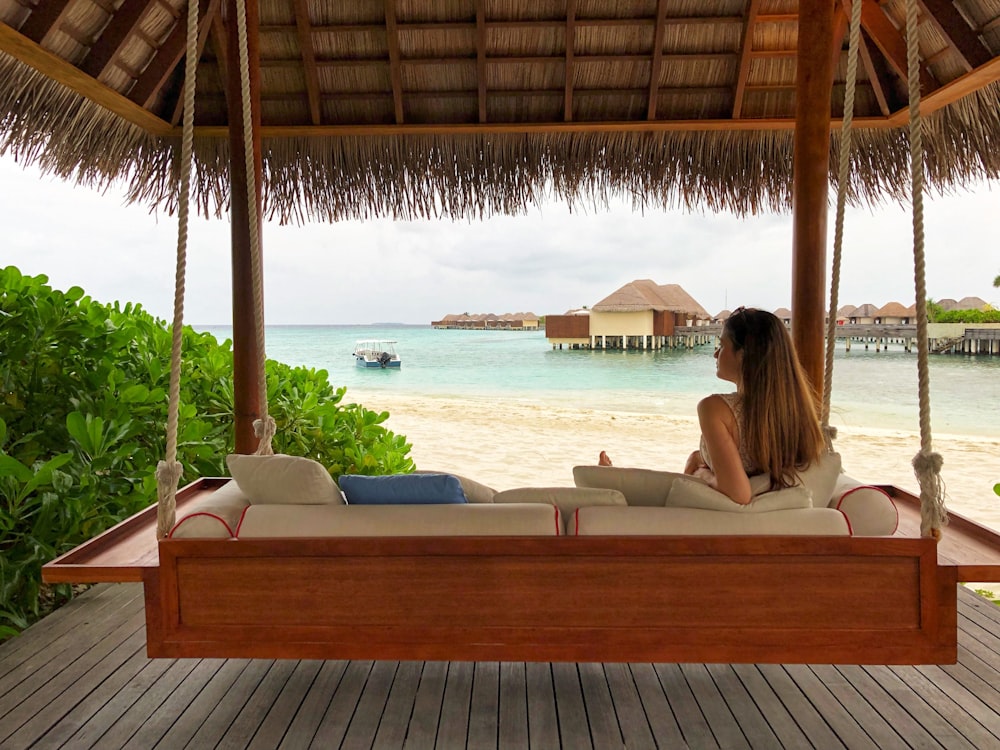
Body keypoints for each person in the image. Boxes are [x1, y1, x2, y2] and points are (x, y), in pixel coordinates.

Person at [598, 307, 825, 505]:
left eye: (722, 345)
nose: (715, 354)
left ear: (744, 355)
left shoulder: (715, 409)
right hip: (769, 524)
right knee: (692, 458)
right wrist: (699, 459)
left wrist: (701, 474)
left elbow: (739, 493)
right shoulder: (797, 415)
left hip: (713, 522)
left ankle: (612, 485)